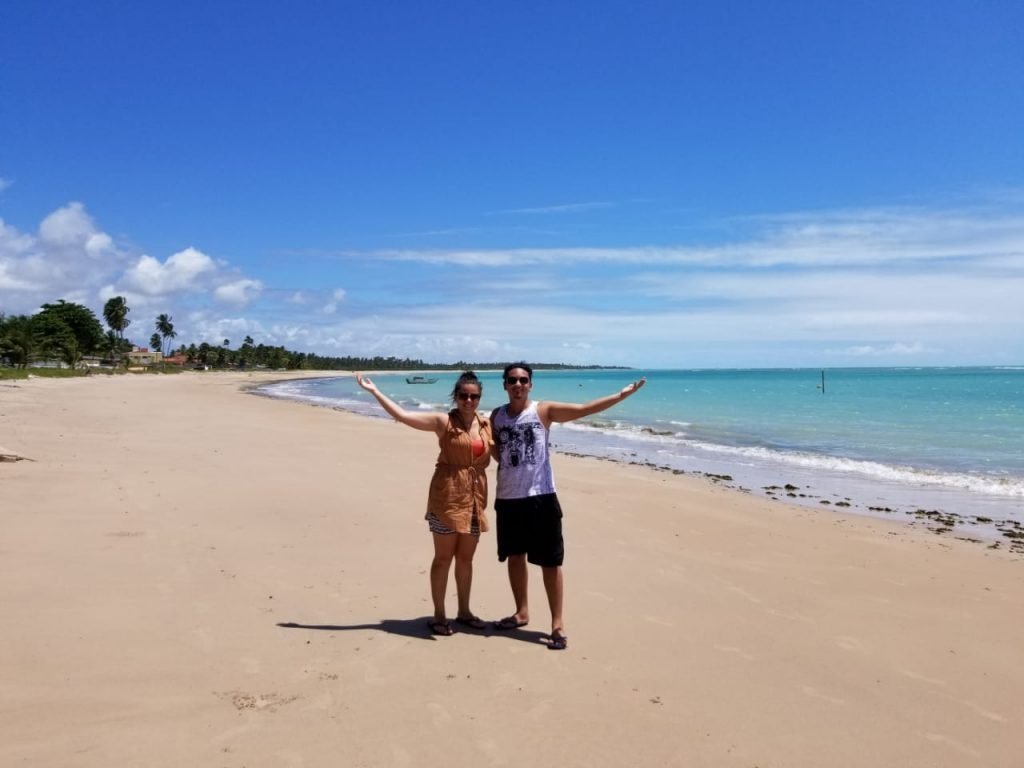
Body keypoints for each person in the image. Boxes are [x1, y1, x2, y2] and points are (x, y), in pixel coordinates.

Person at [490, 363, 646, 650]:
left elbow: (584, 409)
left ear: (531, 385)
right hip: (508, 497)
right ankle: (521, 612)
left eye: (523, 380)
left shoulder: (543, 411)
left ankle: (557, 624)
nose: (518, 384)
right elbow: (495, 450)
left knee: (550, 561)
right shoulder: (496, 416)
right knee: (515, 556)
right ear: (504, 384)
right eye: (512, 379)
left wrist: (620, 396)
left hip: (541, 497)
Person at [357, 371, 493, 636]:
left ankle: (464, 612)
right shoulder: (443, 421)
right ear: (455, 396)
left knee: (466, 559)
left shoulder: (486, 424)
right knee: (443, 558)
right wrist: (375, 391)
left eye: (473, 396)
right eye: (463, 395)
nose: (468, 400)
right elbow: (403, 416)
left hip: (475, 500)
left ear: (479, 398)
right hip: (447, 497)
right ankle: (439, 615)